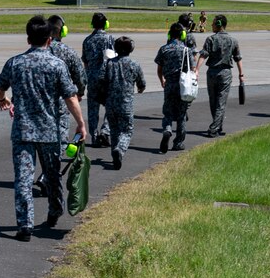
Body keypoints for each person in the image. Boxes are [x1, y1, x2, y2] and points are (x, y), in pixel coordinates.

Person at [0, 16, 87, 242]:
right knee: (53, 175)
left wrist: (3, 100)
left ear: (28, 39)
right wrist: (81, 123)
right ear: (49, 39)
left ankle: (24, 225)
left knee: (23, 179)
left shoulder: (15, 63)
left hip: (23, 131)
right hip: (49, 131)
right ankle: (55, 211)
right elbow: (70, 97)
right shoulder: (57, 65)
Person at [195, 14, 244, 136]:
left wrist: (196, 69)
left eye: (213, 23)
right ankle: (215, 127)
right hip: (225, 73)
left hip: (212, 73)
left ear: (218, 25)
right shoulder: (233, 40)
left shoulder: (210, 39)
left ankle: (216, 126)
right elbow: (238, 58)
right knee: (221, 102)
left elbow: (203, 55)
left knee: (213, 101)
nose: (211, 25)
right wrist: (241, 74)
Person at [101, 36, 146, 169]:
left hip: (111, 103)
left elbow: (103, 81)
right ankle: (119, 150)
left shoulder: (109, 63)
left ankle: (115, 155)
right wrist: (140, 88)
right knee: (127, 130)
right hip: (126, 103)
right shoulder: (134, 64)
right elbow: (141, 83)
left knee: (114, 130)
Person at [47, 15, 86, 156]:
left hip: (38, 103)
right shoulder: (68, 51)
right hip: (62, 103)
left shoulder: (40, 49)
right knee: (60, 140)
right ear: (63, 31)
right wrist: (80, 93)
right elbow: (80, 76)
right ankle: (52, 173)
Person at [155, 22, 192, 152]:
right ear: (182, 35)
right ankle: (178, 143)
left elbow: (159, 69)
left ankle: (167, 129)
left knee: (168, 112)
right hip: (183, 86)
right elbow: (191, 69)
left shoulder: (164, 49)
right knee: (181, 115)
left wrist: (162, 80)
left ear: (169, 34)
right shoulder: (187, 50)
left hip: (169, 84)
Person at [80, 12, 114, 147]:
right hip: (106, 77)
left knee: (93, 109)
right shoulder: (109, 38)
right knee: (110, 107)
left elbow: (85, 62)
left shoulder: (87, 40)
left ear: (92, 24)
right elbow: (112, 58)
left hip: (92, 78)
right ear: (106, 24)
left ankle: (94, 137)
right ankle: (105, 131)